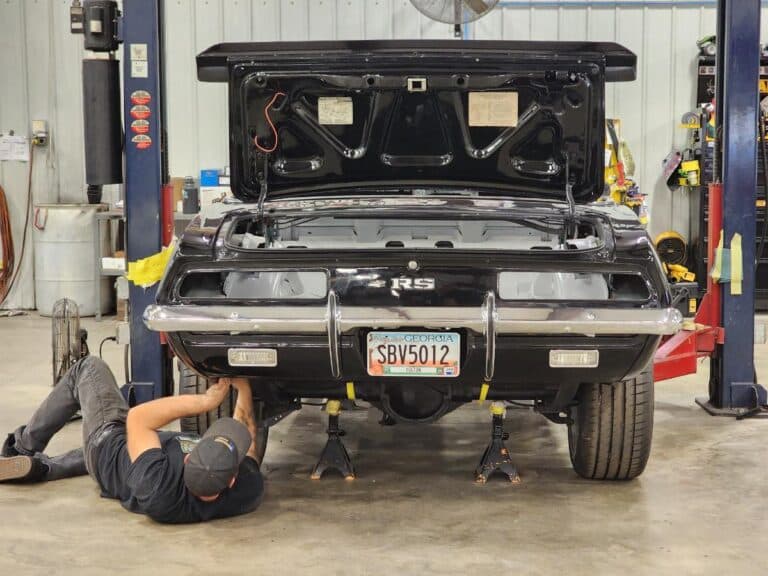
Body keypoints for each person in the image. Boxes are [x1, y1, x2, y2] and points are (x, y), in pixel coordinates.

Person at [0, 356, 264, 523]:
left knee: (88, 368)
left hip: (105, 443)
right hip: (126, 464)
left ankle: (20, 448)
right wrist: (243, 386)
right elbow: (248, 439)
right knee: (131, 456)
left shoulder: (158, 485)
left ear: (187, 460)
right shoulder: (246, 490)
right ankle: (44, 468)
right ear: (231, 479)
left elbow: (138, 419)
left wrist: (205, 401)